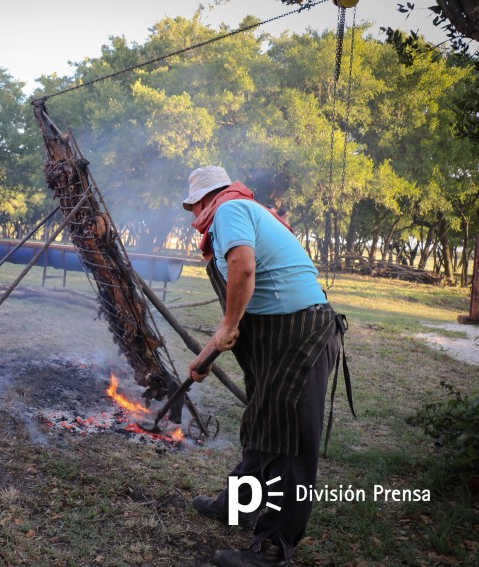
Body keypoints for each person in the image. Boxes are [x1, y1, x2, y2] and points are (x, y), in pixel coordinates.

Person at [182, 166, 345, 567]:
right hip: (280, 336)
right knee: (264, 424)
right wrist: (205, 358)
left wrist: (228, 326)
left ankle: (272, 549)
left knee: (287, 441)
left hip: (300, 335)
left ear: (206, 198)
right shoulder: (243, 212)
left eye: (193, 206)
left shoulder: (229, 210)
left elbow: (244, 270)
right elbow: (241, 306)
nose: (193, 215)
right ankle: (236, 505)